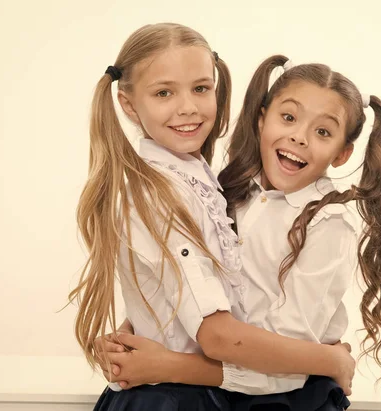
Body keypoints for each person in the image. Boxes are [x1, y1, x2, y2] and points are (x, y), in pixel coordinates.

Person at [102, 55, 381, 411]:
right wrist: (137, 328)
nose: (299, 137)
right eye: (289, 117)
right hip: (216, 391)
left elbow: (289, 366)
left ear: (342, 154)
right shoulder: (225, 192)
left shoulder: (327, 224)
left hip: (284, 401)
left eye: (323, 132)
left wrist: (169, 365)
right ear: (262, 118)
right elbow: (192, 288)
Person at [69, 24, 355, 411]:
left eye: (201, 88)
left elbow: (188, 296)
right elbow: (219, 338)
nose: (187, 107)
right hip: (179, 398)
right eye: (164, 92)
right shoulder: (165, 194)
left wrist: (138, 330)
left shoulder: (211, 183)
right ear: (129, 104)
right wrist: (331, 360)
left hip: (214, 391)